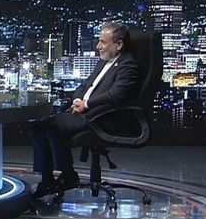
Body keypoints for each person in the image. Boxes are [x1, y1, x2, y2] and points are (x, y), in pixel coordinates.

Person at [31, 22, 140, 199]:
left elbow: (116, 95)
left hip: (102, 117)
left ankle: (67, 176)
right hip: (86, 111)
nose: (98, 46)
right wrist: (77, 100)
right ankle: (47, 178)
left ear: (119, 44)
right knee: (39, 126)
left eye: (103, 42)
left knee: (51, 127)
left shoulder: (128, 65)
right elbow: (85, 85)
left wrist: (86, 104)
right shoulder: (103, 62)